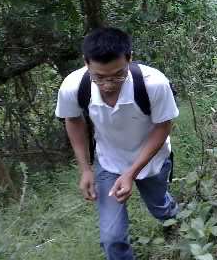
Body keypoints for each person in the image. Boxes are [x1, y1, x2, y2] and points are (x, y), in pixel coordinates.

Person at [56, 27, 178, 260]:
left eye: (117, 75)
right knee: (111, 238)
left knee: (160, 207)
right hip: (109, 162)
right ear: (86, 63)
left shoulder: (153, 83)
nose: (108, 85)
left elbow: (162, 127)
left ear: (129, 57)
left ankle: (177, 222)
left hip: (153, 160)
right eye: (99, 77)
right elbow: (73, 120)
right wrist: (85, 169)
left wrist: (131, 173)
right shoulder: (73, 86)